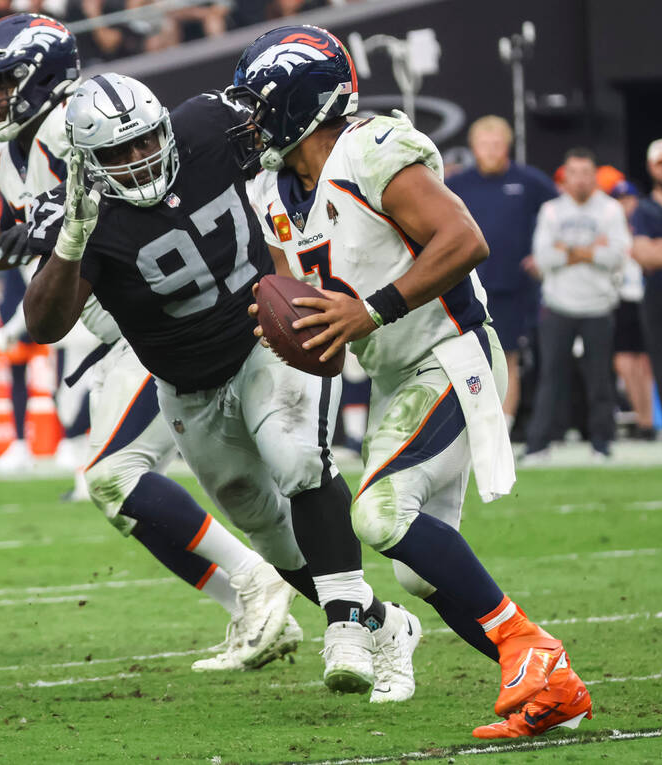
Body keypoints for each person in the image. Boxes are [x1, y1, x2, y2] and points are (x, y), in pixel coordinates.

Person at [0, 13, 300, 672]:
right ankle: (260, 602)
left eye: (0, 83)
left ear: (39, 75)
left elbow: (97, 219)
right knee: (121, 488)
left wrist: (43, 228)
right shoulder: (10, 147)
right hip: (119, 331)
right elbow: (26, 235)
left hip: (153, 322)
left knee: (116, 476)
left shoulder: (73, 130)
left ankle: (263, 584)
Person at [232, 25, 590, 737]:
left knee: (382, 514)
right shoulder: (270, 188)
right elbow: (311, 311)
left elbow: (465, 241)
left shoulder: (374, 150)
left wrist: (368, 310)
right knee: (422, 572)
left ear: (302, 101)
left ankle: (529, 647)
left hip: (453, 354)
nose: (252, 121)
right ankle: (555, 690)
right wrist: (302, 336)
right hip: (396, 373)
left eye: (261, 104)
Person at [24, 70, 422, 697]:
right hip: (186, 387)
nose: (137, 158)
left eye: (145, 140)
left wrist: (303, 232)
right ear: (87, 161)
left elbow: (298, 131)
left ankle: (345, 625)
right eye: (117, 152)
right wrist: (71, 243)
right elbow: (44, 324)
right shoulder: (85, 215)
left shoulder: (210, 126)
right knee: (263, 526)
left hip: (267, 340)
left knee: (297, 459)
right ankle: (381, 620)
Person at [447, 116, 556, 432]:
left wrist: (542, 254)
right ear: (473, 147)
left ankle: (503, 428)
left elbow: (558, 216)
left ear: (507, 146)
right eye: (485, 144)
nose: (491, 150)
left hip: (513, 286)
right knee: (467, 356)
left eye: (497, 144)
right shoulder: (456, 184)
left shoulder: (530, 181)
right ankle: (470, 426)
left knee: (507, 356)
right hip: (465, 285)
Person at [524, 149, 629, 460]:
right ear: (565, 177)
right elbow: (543, 259)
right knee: (551, 378)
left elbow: (616, 256)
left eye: (586, 172)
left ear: (594, 176)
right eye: (574, 172)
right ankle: (538, 444)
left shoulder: (610, 211)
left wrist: (567, 249)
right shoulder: (551, 211)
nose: (581, 179)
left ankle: (602, 444)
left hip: (598, 307)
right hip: (559, 305)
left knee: (600, 381)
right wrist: (590, 250)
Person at [609, 180, 655, 440]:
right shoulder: (609, 227)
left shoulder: (645, 223)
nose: (625, 205)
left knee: (645, 362)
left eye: (629, 199)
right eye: (619, 200)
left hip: (645, 296)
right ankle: (640, 417)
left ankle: (647, 421)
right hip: (620, 298)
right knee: (625, 361)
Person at [630, 139, 662, 410]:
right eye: (660, 163)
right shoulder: (644, 209)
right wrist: (651, 251)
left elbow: (653, 252)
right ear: (651, 167)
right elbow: (643, 255)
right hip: (657, 295)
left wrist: (656, 246)